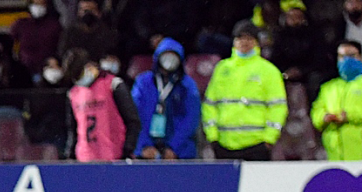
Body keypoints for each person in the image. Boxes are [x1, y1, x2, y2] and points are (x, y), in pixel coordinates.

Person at [202, 19, 288, 161]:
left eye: (249, 38)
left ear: (256, 41)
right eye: (240, 38)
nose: (244, 42)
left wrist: (269, 139)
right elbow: (210, 105)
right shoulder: (222, 68)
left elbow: (278, 107)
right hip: (224, 145)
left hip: (257, 145)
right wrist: (213, 137)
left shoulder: (269, 71)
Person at [62, 47, 140, 161]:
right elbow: (73, 130)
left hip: (114, 157)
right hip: (84, 159)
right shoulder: (73, 94)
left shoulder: (113, 85)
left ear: (89, 66)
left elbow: (133, 121)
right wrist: (70, 155)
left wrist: (127, 151)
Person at [131, 38, 201, 160]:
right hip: (146, 152)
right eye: (166, 55)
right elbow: (134, 115)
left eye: (174, 56)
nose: (169, 60)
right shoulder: (143, 82)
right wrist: (144, 145)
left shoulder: (187, 85)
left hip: (179, 153)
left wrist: (173, 148)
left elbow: (191, 119)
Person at [310, 40, 362, 161]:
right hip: (334, 156)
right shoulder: (328, 87)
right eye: (342, 56)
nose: (346, 60)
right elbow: (316, 111)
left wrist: (349, 116)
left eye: (351, 55)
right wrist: (324, 117)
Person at [270, 1, 329, 104]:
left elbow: (320, 60)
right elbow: (275, 59)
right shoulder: (280, 36)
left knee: (315, 79)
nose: (294, 20)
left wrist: (301, 71)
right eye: (290, 17)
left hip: (308, 71)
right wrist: (285, 72)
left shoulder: (315, 35)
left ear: (304, 19)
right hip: (286, 71)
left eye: (297, 17)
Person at [10, 0, 62, 80]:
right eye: (35, 4)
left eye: (42, 4)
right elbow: (10, 41)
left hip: (47, 69)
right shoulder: (21, 24)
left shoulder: (55, 25)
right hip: (24, 70)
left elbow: (60, 47)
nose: (38, 7)